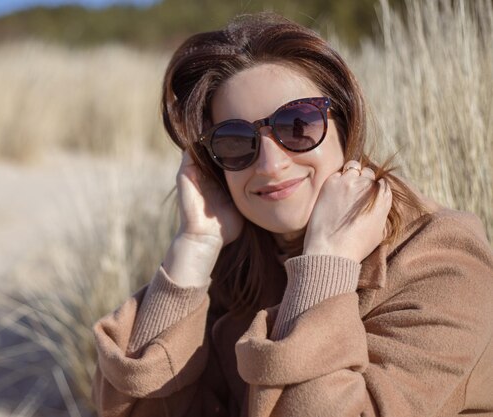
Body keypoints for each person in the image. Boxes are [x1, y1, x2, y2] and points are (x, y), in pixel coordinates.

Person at [92, 12, 493, 417]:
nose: (270, 164)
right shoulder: (241, 266)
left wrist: (325, 269)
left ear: (345, 122)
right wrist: (195, 246)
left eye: (297, 123)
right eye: (235, 141)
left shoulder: (442, 262)